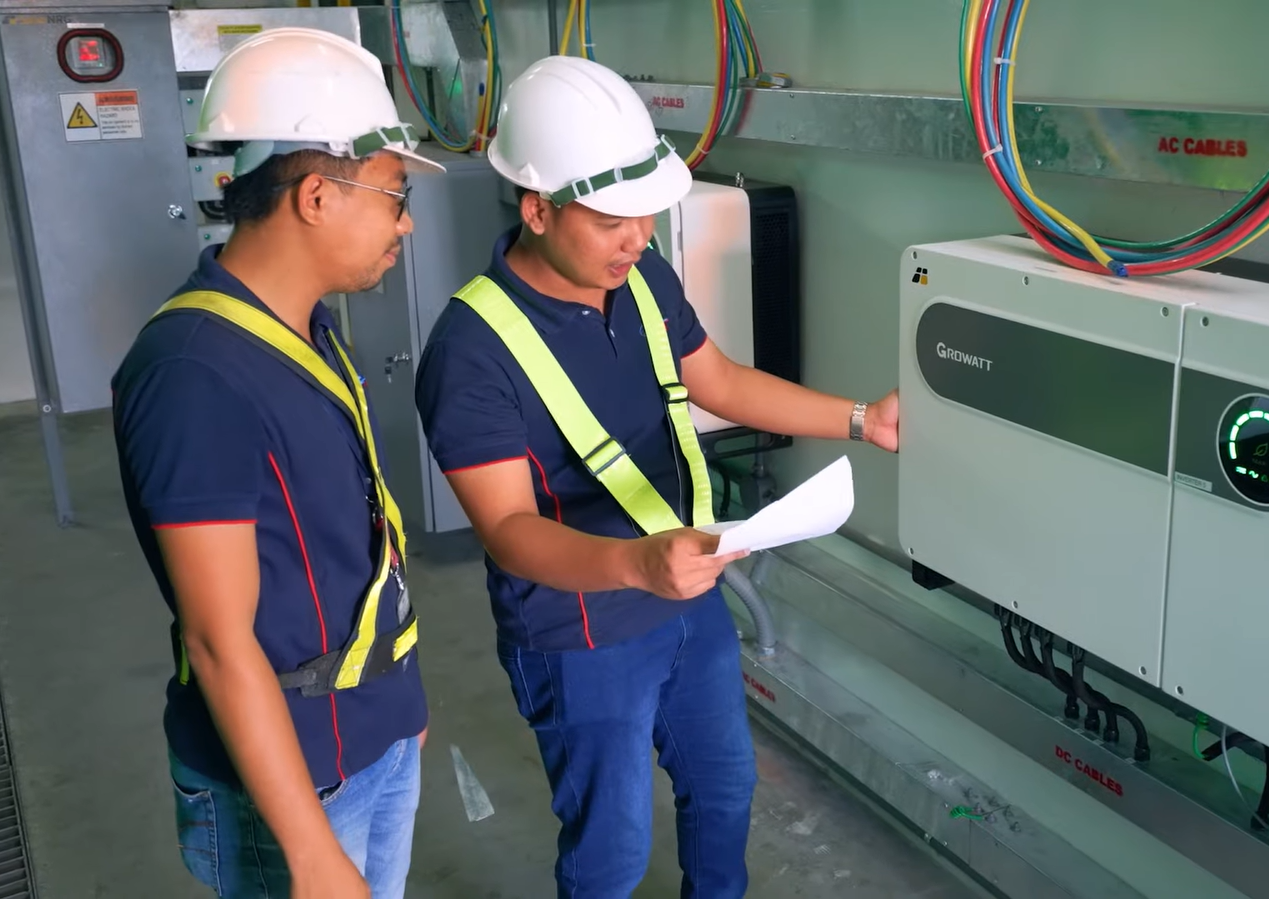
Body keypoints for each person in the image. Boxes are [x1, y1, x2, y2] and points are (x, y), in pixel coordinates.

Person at [413, 54, 899, 898]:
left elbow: (720, 383)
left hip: (685, 600)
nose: (636, 239)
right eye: (611, 221)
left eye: (646, 216)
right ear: (536, 208)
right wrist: (637, 565)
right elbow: (509, 531)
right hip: (579, 633)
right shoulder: (470, 351)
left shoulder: (640, 277)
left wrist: (860, 419)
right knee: (612, 845)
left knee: (723, 788)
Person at [110, 28, 441, 899]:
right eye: (393, 194)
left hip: (371, 733)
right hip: (294, 783)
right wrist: (308, 851)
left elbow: (346, 547)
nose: (405, 221)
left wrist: (398, 708)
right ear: (316, 197)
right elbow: (220, 641)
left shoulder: (309, 331)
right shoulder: (196, 373)